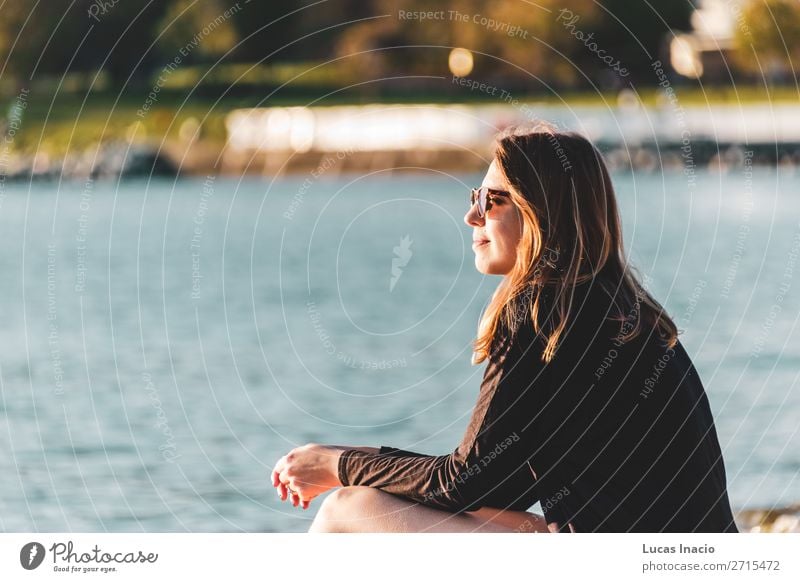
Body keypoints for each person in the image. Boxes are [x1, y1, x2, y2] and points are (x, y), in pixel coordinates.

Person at [271, 122, 739, 533]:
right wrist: (354, 456)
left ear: (541, 211)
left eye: (492, 199)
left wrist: (340, 466)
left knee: (349, 510)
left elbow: (464, 483)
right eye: (474, 197)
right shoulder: (620, 310)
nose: (472, 215)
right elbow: (495, 485)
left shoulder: (541, 311)